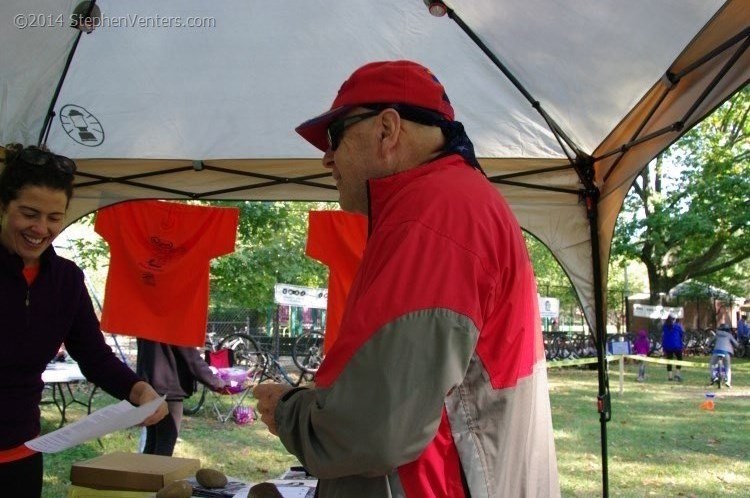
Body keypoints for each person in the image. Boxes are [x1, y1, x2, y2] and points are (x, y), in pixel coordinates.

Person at [253, 60, 559, 497]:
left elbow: (378, 429)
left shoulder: (434, 216)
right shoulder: (454, 203)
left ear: (387, 130)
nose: (326, 158)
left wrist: (290, 412)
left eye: (335, 138)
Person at [0, 144, 168, 496]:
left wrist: (138, 390)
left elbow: (93, 355)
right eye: (29, 214)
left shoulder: (66, 279)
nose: (40, 229)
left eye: (54, 218)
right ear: (3, 207)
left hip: (22, 453)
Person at [136, 338, 225, 456]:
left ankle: (144, 474)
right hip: (169, 389)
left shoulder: (146, 321)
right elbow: (191, 358)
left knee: (152, 442)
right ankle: (155, 473)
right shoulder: (176, 324)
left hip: (149, 385)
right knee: (165, 444)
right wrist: (216, 382)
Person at [708, 323, 739, 388]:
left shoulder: (717, 334)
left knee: (712, 364)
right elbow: (736, 344)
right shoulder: (729, 335)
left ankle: (714, 377)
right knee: (727, 367)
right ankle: (728, 382)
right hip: (726, 352)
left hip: (716, 351)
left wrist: (708, 345)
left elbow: (710, 342)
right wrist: (737, 347)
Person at [661, 315, 684, 381]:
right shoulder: (677, 326)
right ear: (673, 320)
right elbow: (682, 334)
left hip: (667, 346)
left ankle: (670, 376)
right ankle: (677, 374)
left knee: (669, 360)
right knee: (679, 359)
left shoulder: (665, 326)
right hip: (677, 346)